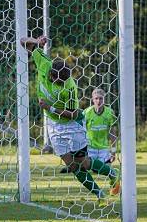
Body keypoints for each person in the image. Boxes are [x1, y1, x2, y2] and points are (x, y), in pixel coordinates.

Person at [21, 36, 120, 201]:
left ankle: (112, 173)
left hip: (73, 125)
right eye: (58, 81)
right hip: (53, 125)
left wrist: (49, 107)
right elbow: (23, 41)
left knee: (84, 163)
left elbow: (73, 114)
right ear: (51, 73)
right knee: (72, 165)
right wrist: (36, 42)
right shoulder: (44, 63)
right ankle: (100, 196)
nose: (60, 84)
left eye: (63, 82)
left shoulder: (70, 87)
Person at [84, 88, 117, 164]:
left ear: (104, 100)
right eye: (96, 98)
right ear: (92, 100)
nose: (98, 101)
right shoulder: (87, 112)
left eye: (101, 99)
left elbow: (113, 134)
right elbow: (81, 132)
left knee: (107, 171)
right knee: (89, 169)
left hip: (104, 149)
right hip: (90, 149)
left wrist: (113, 151)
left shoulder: (110, 113)